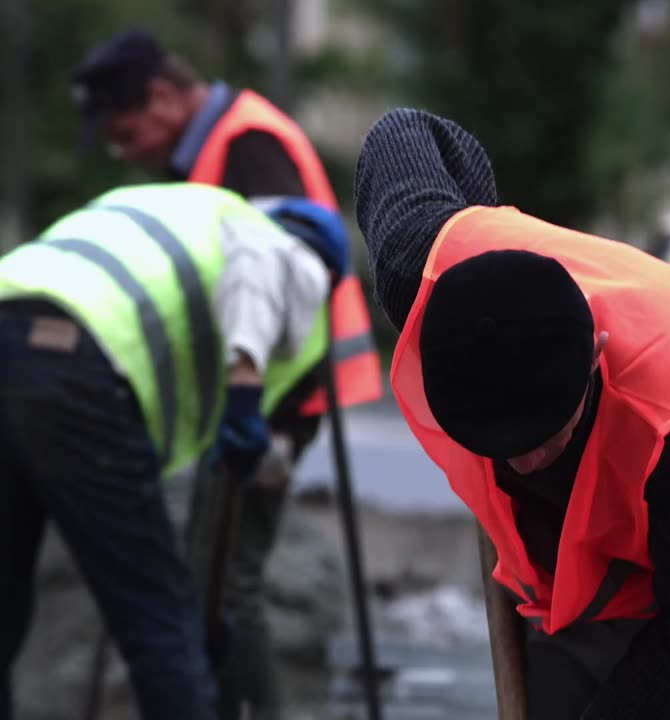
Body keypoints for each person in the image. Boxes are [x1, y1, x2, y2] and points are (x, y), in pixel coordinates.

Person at [353, 108, 670, 719]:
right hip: (600, 521)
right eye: (502, 444)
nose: (526, 459)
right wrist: (496, 269)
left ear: (594, 356)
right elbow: (404, 132)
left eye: (541, 434)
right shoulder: (425, 277)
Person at [69, 27, 383, 718]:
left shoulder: (246, 142)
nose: (127, 152)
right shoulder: (207, 150)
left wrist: (244, 399)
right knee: (207, 571)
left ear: (161, 96)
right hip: (252, 394)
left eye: (126, 133)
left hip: (272, 396)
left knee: (226, 576)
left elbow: (276, 270)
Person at [0, 183, 347, 720]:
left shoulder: (184, 211)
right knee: (158, 616)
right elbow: (260, 264)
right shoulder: (275, 243)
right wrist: (245, 391)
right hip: (79, 359)